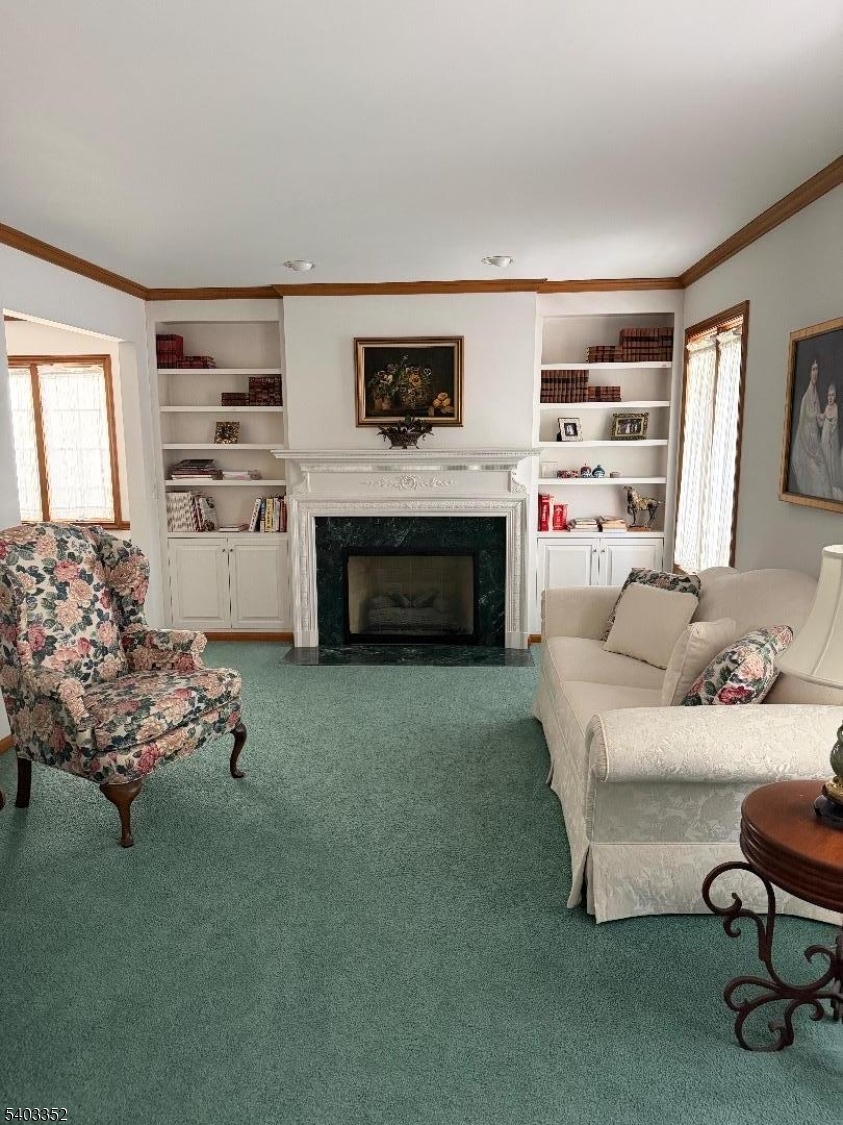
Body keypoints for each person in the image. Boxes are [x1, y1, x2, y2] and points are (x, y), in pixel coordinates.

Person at [791, 358, 831, 498]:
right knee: (816, 477)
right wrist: (809, 453)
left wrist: (826, 416)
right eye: (813, 369)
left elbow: (819, 423)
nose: (815, 372)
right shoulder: (806, 398)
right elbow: (801, 431)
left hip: (816, 447)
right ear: (809, 372)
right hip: (806, 450)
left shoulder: (816, 397)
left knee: (825, 475)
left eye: (817, 369)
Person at [821, 382, 843, 499]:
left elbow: (835, 423)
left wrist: (830, 433)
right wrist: (819, 416)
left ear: (835, 397)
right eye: (829, 395)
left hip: (832, 437)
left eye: (833, 395)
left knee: (831, 456)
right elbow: (823, 417)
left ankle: (832, 482)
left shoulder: (836, 407)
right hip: (824, 435)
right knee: (824, 454)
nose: (830, 398)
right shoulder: (826, 407)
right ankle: (825, 480)